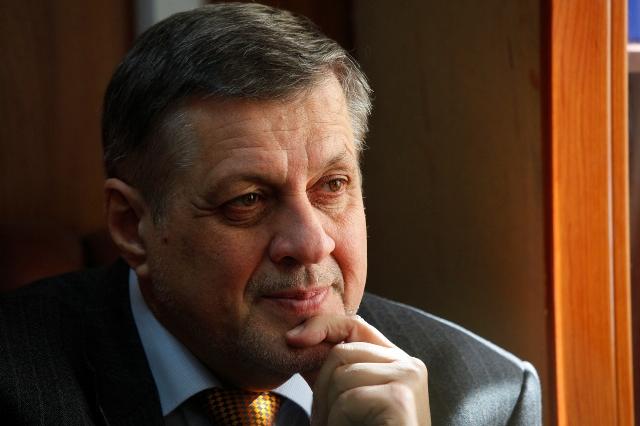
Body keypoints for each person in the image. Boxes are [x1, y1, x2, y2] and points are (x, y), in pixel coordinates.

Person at [0, 3, 541, 425]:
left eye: (332, 186)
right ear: (131, 227)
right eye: (248, 200)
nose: (312, 243)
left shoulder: (485, 396)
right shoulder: (15, 383)